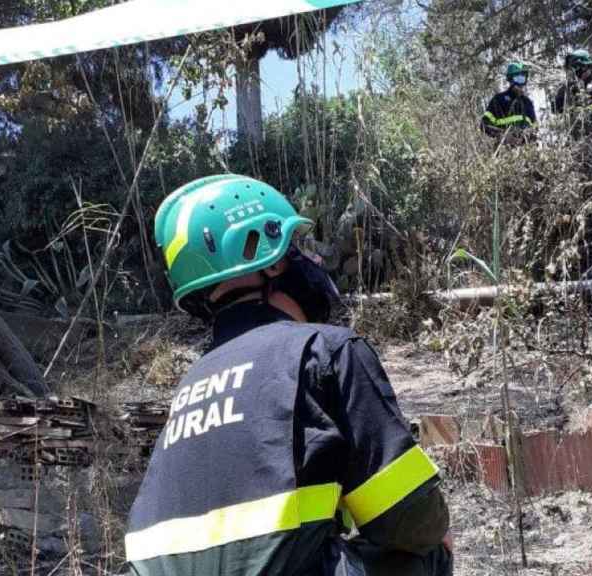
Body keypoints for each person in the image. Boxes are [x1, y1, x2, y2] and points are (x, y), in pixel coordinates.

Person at [126, 174, 453, 576]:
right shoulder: (327, 349)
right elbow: (412, 520)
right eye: (294, 247)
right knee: (429, 551)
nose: (307, 262)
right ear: (270, 258)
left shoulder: (191, 385)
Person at [482, 62, 537, 145]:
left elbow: (535, 128)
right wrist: (503, 136)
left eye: (523, 79)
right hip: (504, 150)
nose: (520, 84)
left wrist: (529, 138)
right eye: (518, 79)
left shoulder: (528, 103)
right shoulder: (499, 99)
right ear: (511, 79)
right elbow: (484, 125)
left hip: (526, 151)